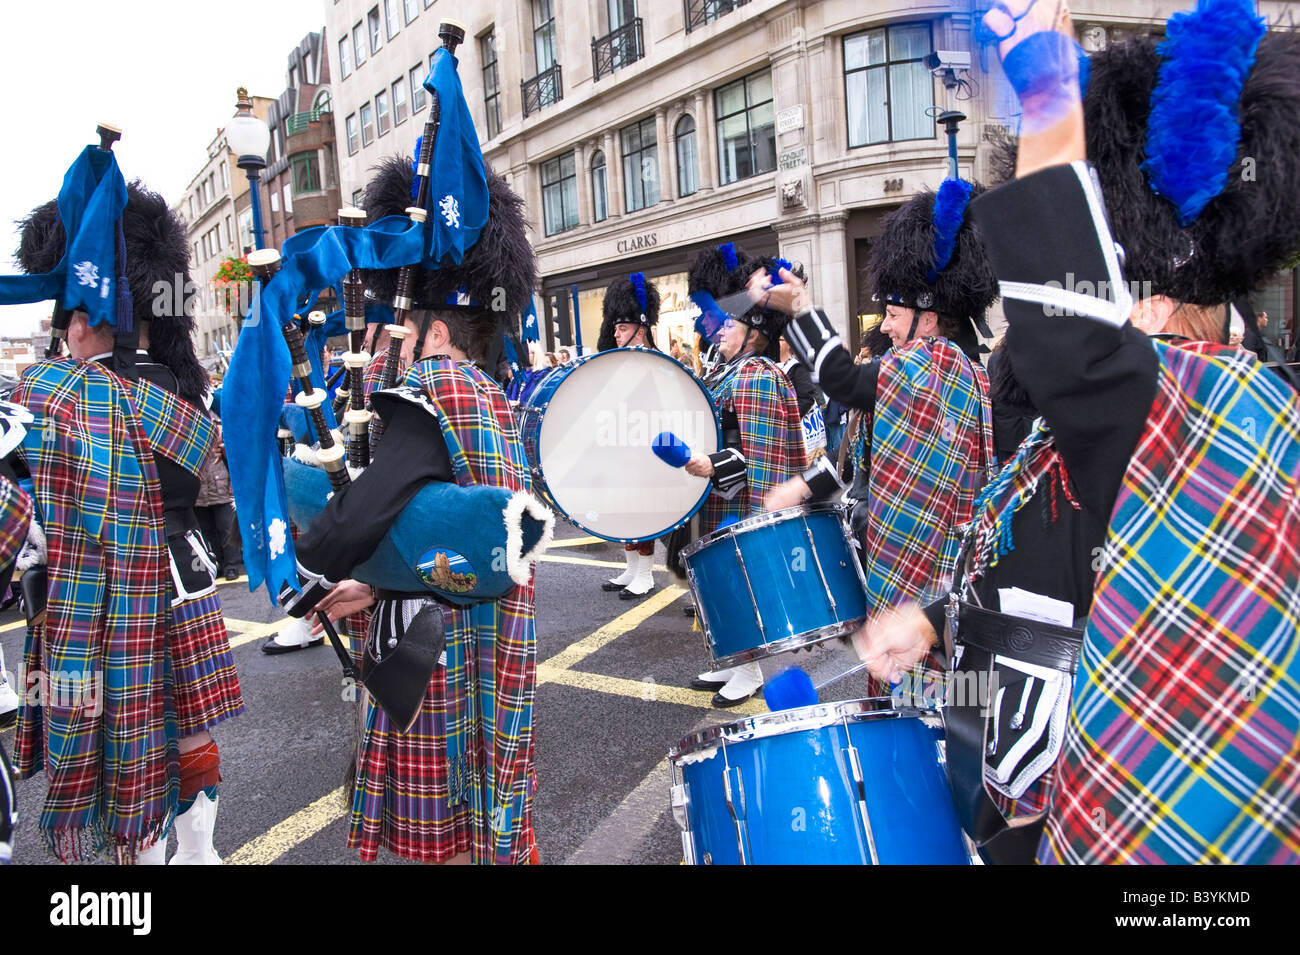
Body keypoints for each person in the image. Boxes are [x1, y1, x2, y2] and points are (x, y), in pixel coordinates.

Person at [860, 0, 1300, 864]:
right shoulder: (1132, 421)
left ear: (1154, 301)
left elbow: (1062, 331)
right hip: (1039, 789)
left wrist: (1053, 97)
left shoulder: (1200, 408)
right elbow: (1047, 578)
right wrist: (941, 622)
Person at [285, 152, 541, 865]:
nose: (375, 343)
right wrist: (372, 582)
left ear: (429, 332)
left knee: (444, 847)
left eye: (386, 328)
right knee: (483, 823)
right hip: (483, 645)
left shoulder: (424, 387)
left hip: (435, 660)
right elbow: (439, 521)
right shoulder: (489, 397)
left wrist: (301, 535)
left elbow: (361, 516)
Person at [7, 171, 243, 864]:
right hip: (180, 576)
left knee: (111, 749)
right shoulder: (178, 389)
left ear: (84, 316)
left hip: (89, 598)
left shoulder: (54, 395)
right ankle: (199, 852)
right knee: (191, 729)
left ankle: (139, 864)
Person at [759, 182, 996, 617]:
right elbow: (857, 464)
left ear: (928, 319)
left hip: (931, 570)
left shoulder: (941, 362)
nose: (884, 327)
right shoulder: (916, 371)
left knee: (927, 681)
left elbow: (844, 381)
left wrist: (802, 308)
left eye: (892, 315)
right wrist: (803, 486)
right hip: (896, 559)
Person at [683, 247, 808, 706]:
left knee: (743, 583)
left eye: (730, 323)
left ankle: (752, 670)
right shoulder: (729, 369)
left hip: (740, 501)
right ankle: (737, 662)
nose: (720, 329)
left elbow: (760, 457)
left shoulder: (755, 374)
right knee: (724, 586)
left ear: (754, 333)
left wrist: (714, 466)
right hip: (720, 498)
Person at [597, 272, 663, 599]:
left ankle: (646, 575)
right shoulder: (623, 361)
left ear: (641, 327)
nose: (616, 333)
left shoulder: (658, 362)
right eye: (615, 327)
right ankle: (632, 568)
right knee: (622, 510)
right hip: (622, 442)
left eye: (622, 328)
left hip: (647, 447)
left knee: (641, 510)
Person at [194, 423, 242, 580]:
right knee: (206, 529)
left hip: (220, 482)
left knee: (226, 525)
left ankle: (232, 565)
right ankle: (218, 563)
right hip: (200, 485)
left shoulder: (218, 420)